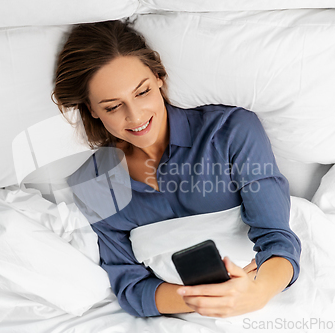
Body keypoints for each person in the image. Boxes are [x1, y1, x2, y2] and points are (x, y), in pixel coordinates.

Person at [52, 19, 301, 318]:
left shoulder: (230, 131)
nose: (136, 116)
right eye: (112, 106)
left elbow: (278, 239)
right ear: (92, 110)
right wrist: (208, 299)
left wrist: (255, 293)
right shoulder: (94, 184)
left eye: (142, 92)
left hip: (266, 296)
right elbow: (131, 287)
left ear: (158, 78)